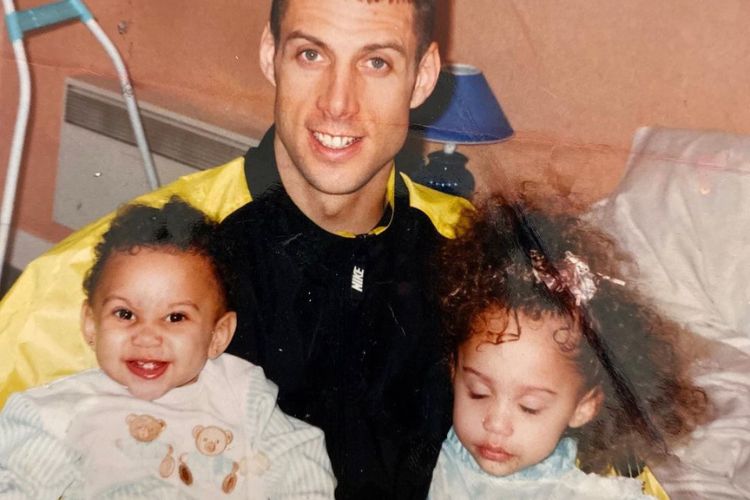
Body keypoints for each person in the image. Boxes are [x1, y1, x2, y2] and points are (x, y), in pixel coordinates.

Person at [214, 1, 472, 497]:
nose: (337, 103)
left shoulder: (472, 258)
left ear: (422, 77)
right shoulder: (146, 262)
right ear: (271, 56)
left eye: (376, 62)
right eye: (311, 54)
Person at [0, 198, 335, 499]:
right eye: (125, 314)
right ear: (91, 324)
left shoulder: (242, 394)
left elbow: (299, 459)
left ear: (218, 335)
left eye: (175, 317)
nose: (147, 337)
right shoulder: (57, 414)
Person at [427, 200, 710, 499]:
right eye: (478, 392)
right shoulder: (421, 456)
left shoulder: (586, 494)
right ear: (453, 369)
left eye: (529, 407)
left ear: (583, 407)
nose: (495, 424)